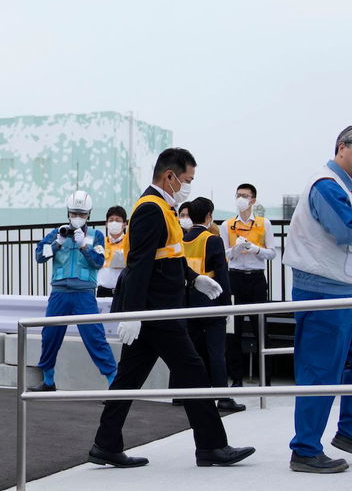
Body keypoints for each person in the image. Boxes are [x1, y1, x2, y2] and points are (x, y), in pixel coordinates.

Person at [88, 148, 255, 469]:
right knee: (193, 371)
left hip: (157, 311)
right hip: (156, 312)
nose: (189, 186)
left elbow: (170, 256)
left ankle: (105, 444)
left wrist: (194, 280)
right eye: (188, 180)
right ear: (170, 176)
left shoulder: (164, 208)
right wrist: (134, 314)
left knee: (127, 379)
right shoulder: (150, 209)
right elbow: (137, 264)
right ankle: (212, 446)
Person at [282, 124, 352, 473]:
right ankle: (305, 450)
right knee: (320, 372)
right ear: (341, 147)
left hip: (348, 292)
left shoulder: (345, 187)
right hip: (323, 292)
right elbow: (348, 229)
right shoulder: (326, 185)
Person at [28, 190, 117, 392]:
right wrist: (57, 243)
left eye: (82, 214)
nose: (78, 217)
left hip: (84, 293)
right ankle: (48, 381)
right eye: (75, 213)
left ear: (89, 215)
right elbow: (39, 256)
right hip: (59, 292)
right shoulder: (57, 233)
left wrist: (83, 246)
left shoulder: (96, 235)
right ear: (68, 212)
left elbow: (99, 262)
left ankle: (114, 382)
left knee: (94, 336)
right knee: (50, 335)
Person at [180, 197, 244, 413]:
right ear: (209, 216)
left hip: (188, 302)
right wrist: (227, 305)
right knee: (217, 351)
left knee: (193, 352)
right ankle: (223, 397)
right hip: (211, 301)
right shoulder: (213, 239)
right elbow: (222, 275)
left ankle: (194, 394)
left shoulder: (183, 239)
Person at [220, 184, 277, 387]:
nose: (241, 199)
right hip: (234, 278)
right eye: (238, 195)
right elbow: (223, 255)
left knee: (260, 328)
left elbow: (272, 252)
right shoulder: (227, 225)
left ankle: (266, 379)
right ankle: (236, 378)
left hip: (256, 278)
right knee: (233, 331)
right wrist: (235, 250)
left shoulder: (264, 223)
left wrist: (255, 249)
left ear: (253, 200)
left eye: (245, 196)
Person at [97, 205, 129, 298]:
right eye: (111, 220)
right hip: (102, 291)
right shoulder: (100, 242)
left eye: (118, 220)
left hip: (124, 290)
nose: (114, 223)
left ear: (124, 224)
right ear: (106, 224)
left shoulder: (130, 242)